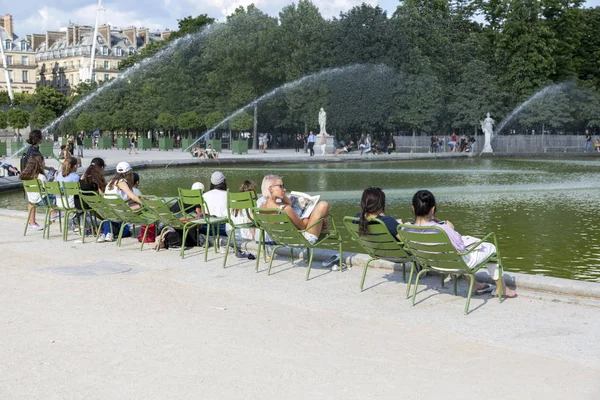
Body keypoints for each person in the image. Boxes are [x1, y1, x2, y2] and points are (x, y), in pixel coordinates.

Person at [407, 190, 517, 298]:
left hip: (432, 263)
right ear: (433, 209)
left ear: (413, 208)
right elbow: (460, 247)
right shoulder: (442, 229)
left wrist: (434, 220)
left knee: (456, 252)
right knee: (491, 248)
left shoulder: (406, 228)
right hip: (456, 264)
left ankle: (474, 285)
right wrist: (451, 228)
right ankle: (501, 288)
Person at [259, 174, 331, 245]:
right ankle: (325, 227)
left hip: (281, 240)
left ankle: (324, 225)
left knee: (319, 213)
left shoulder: (261, 208)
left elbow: (289, 204)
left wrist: (283, 196)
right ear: (270, 189)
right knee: (323, 205)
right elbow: (303, 226)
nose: (284, 189)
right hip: (300, 241)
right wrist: (308, 217)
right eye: (281, 186)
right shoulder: (285, 209)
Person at [99, 161, 142, 242]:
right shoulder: (121, 182)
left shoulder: (111, 182)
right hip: (119, 214)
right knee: (127, 232)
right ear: (129, 173)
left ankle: (107, 233)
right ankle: (111, 232)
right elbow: (132, 196)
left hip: (110, 212)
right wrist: (145, 203)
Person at [20, 153, 57, 231]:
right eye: (44, 162)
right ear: (39, 164)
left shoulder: (25, 176)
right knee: (55, 195)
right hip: (42, 201)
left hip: (32, 200)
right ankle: (53, 214)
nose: (45, 163)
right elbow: (49, 189)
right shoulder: (41, 177)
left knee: (31, 203)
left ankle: (32, 223)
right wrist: (55, 179)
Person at [202, 171, 229, 237]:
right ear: (223, 182)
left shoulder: (204, 195)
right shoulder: (228, 195)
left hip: (207, 228)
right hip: (223, 229)